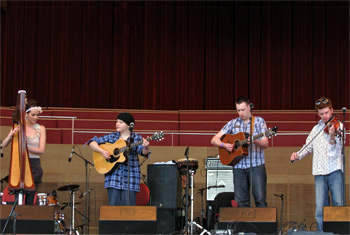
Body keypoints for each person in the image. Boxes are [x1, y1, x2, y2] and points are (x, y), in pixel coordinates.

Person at [290, 97, 344, 231]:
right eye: (321, 114)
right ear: (317, 114)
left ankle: (340, 232)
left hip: (335, 171)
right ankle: (322, 233)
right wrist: (298, 155)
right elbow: (308, 146)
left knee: (338, 205)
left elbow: (334, 153)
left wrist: (332, 138)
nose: (324, 116)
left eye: (326, 112)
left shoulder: (339, 127)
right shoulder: (316, 128)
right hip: (319, 173)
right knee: (320, 208)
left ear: (332, 110)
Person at [211, 96, 269, 207]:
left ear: (249, 107)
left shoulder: (259, 121)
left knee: (260, 199)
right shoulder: (233, 123)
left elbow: (265, 143)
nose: (240, 113)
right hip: (238, 166)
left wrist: (254, 140)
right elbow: (214, 139)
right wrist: (225, 145)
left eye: (243, 110)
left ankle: (260, 224)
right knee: (241, 201)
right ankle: (244, 224)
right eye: (238, 110)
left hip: (256, 165)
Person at [87, 112, 150, 206]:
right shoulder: (111, 136)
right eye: (117, 121)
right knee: (113, 212)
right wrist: (102, 152)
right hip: (113, 179)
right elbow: (92, 142)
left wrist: (146, 147)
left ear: (129, 125)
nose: (117, 124)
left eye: (121, 122)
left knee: (128, 213)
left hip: (130, 179)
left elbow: (143, 152)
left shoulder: (136, 138)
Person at [2, 99, 46, 205]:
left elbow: (41, 150)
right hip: (19, 164)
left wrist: (24, 147)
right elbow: (3, 145)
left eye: (37, 115)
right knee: (18, 199)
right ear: (26, 114)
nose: (36, 118)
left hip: (34, 164)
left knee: (30, 200)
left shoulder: (41, 128)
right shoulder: (18, 127)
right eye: (33, 115)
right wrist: (11, 135)